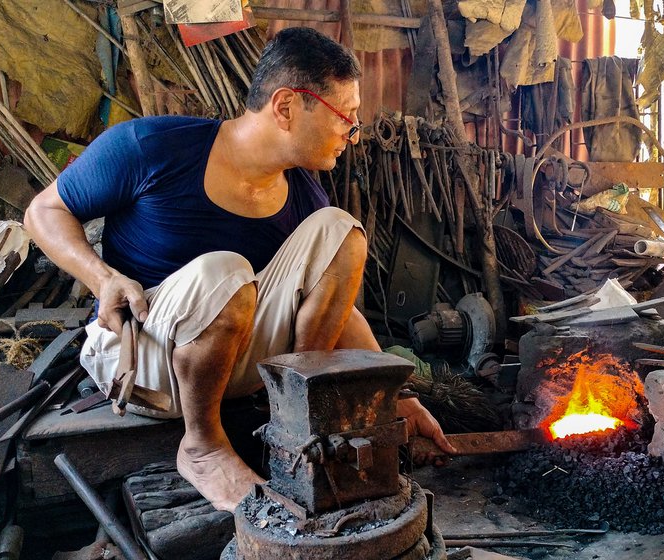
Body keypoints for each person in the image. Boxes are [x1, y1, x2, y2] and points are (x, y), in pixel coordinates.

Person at [24, 26, 455, 512]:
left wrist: (393, 395)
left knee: (340, 231)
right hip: (142, 359)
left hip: (231, 365)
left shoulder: (304, 197)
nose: (351, 136)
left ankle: (298, 412)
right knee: (225, 272)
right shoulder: (151, 146)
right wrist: (103, 278)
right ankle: (202, 446)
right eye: (345, 118)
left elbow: (334, 308)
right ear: (288, 106)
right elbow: (43, 212)